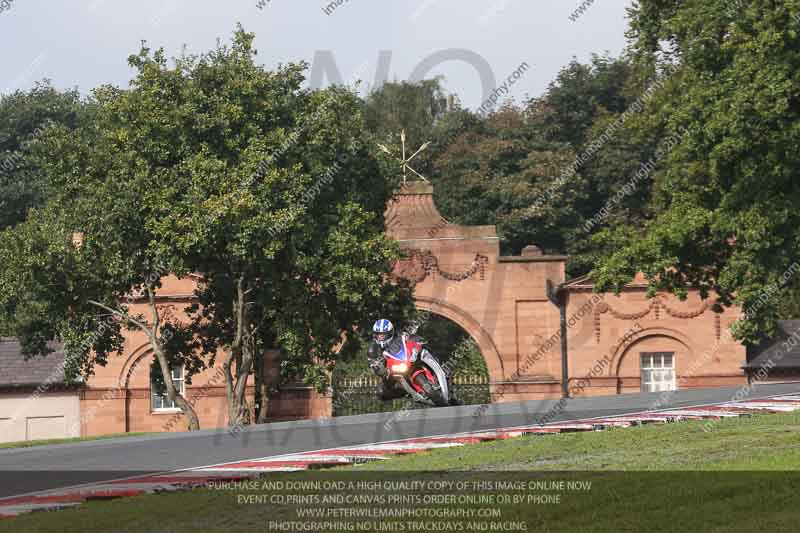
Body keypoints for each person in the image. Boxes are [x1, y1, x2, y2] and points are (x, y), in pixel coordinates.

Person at [367, 318, 461, 405]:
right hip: (393, 370)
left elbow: (411, 338)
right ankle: (408, 394)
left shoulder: (399, 337)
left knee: (429, 353)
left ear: (390, 333)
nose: (380, 337)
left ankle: (444, 379)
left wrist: (419, 341)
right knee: (381, 392)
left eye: (383, 335)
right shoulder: (374, 348)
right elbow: (373, 363)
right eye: (378, 335)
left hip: (408, 360)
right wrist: (377, 367)